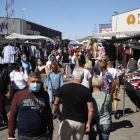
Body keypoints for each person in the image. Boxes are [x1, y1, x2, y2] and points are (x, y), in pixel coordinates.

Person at [8, 72, 53, 140]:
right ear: (28, 83)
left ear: (40, 83)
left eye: (38, 82)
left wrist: (50, 131)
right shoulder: (19, 95)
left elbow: (49, 114)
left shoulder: (44, 94)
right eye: (33, 81)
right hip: (23, 135)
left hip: (41, 135)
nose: (35, 84)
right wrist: (11, 135)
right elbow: (13, 115)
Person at [54, 68, 94, 140]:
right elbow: (91, 110)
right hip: (80, 121)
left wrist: (59, 114)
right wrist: (88, 123)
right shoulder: (86, 91)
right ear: (83, 78)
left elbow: (56, 103)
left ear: (72, 77)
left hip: (66, 120)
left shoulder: (64, 88)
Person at [89, 75, 112, 140]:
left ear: (93, 85)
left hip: (93, 122)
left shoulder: (90, 96)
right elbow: (110, 110)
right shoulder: (107, 96)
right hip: (105, 122)